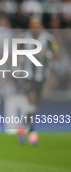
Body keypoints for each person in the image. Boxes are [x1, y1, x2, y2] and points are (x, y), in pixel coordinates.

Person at [17, 17, 58, 145]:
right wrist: (20, 59)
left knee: (34, 106)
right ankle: (33, 134)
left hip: (42, 75)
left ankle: (23, 128)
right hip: (28, 75)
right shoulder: (23, 38)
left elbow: (55, 53)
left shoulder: (49, 38)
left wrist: (47, 54)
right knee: (32, 102)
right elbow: (17, 54)